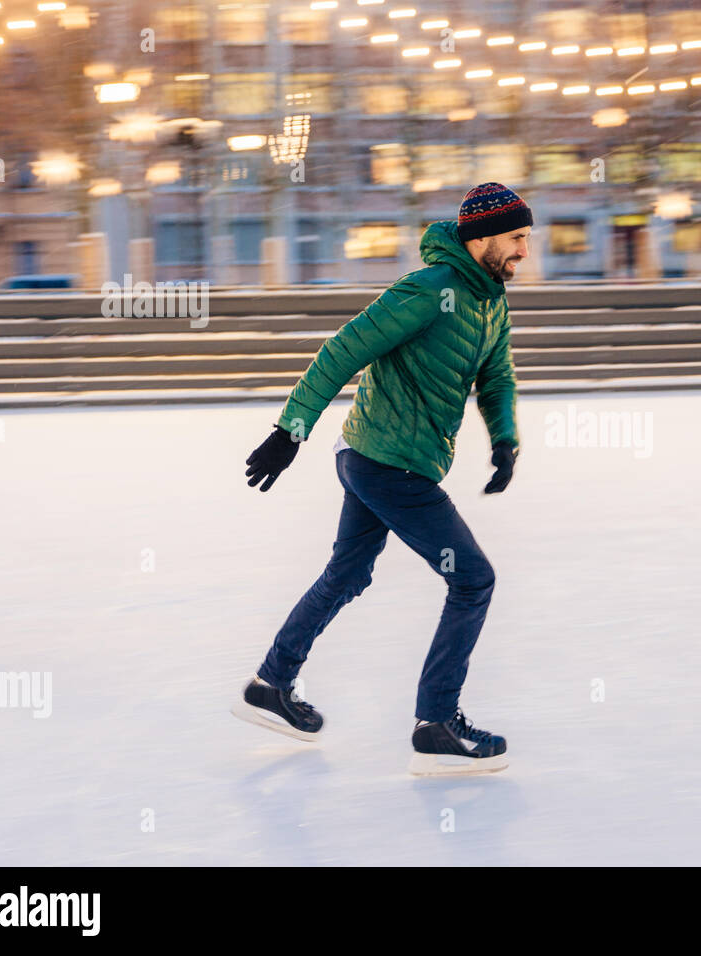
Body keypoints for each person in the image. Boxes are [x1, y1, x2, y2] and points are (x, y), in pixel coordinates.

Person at [234, 182, 532, 776]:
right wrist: (290, 430)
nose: (525, 250)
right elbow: (343, 350)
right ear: (482, 239)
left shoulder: (489, 299)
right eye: (517, 238)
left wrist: (504, 439)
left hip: (385, 459)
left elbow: (496, 376)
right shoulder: (428, 291)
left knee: (348, 573)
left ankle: (271, 682)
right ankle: (436, 723)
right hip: (386, 463)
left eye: (527, 238)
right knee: (472, 580)